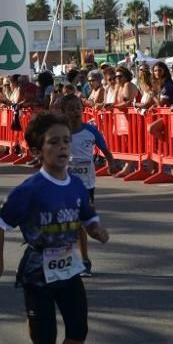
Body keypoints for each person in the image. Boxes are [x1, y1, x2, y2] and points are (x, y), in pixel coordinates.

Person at [0, 111, 110, 344]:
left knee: (79, 329)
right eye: (54, 142)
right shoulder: (30, 189)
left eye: (67, 141)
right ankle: (33, 318)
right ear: (38, 151)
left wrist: (97, 230)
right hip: (37, 269)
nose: (63, 147)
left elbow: (88, 217)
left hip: (68, 267)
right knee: (44, 341)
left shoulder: (77, 185)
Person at [57, 93, 117, 277]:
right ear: (63, 112)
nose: (76, 112)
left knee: (82, 224)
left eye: (78, 108)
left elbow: (105, 149)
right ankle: (65, 260)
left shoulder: (91, 131)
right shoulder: (59, 132)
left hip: (86, 185)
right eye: (71, 109)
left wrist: (111, 163)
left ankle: (84, 260)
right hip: (64, 184)